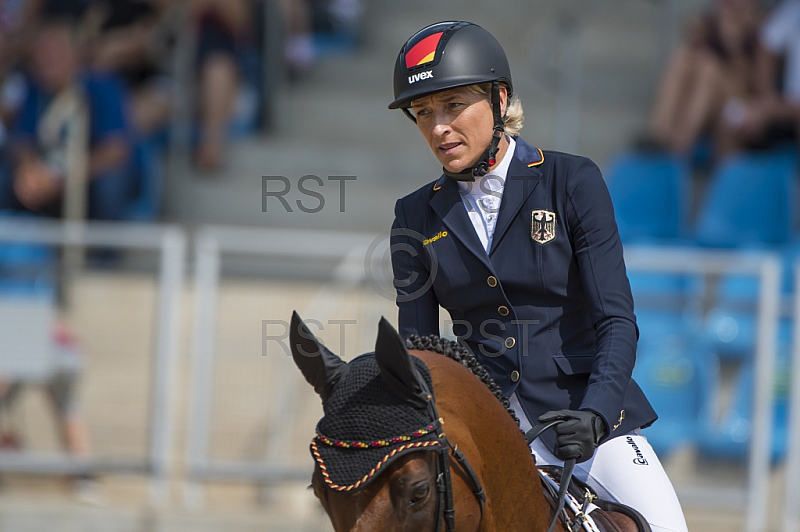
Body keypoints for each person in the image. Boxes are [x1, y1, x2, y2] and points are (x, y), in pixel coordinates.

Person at [388, 21, 688, 532]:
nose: (437, 127)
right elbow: (420, 353)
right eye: (423, 113)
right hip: (485, 431)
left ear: (500, 99)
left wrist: (596, 414)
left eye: (453, 106)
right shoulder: (414, 217)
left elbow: (616, 319)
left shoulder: (572, 181)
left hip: (589, 424)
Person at [646, 0, 764, 159]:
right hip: (706, 101)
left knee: (710, 69)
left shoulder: (759, 27)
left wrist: (733, 36)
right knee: (681, 59)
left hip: (740, 98)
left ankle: (679, 147)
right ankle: (660, 135)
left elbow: (754, 83)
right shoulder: (710, 22)